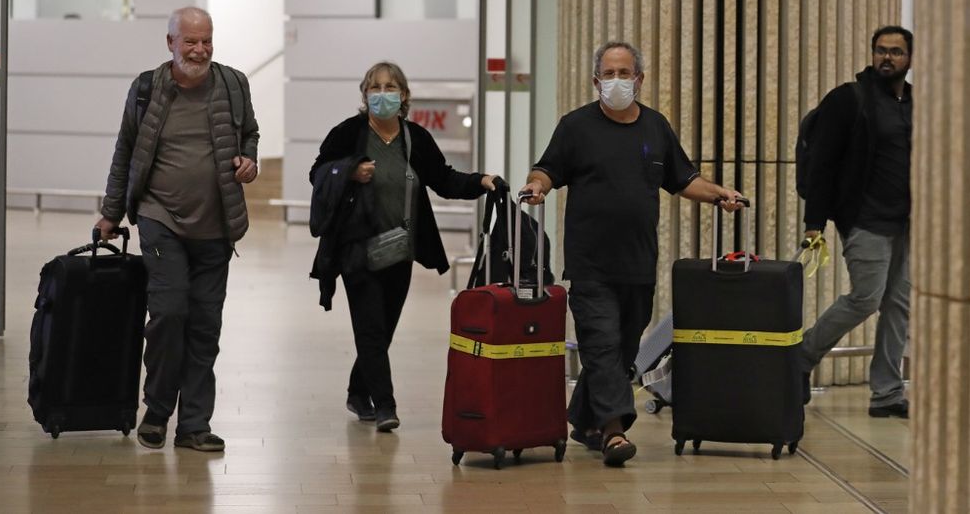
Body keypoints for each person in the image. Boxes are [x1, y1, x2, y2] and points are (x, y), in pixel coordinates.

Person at [520, 41, 742, 467]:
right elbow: (548, 168)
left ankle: (584, 420)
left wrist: (720, 195)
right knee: (600, 345)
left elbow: (683, 179)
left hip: (638, 264)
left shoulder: (655, 127)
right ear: (595, 80)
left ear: (640, 79)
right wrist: (537, 186)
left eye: (625, 73)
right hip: (589, 263)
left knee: (621, 353)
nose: (616, 81)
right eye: (609, 73)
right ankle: (614, 433)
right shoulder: (576, 126)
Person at [95, 6, 259, 452]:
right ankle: (157, 410)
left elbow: (250, 135)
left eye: (206, 40)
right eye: (190, 41)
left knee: (206, 325)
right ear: (170, 43)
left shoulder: (233, 84)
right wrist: (111, 212)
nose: (200, 49)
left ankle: (194, 426)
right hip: (159, 216)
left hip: (217, 224)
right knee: (169, 314)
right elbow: (126, 150)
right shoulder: (147, 88)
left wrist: (249, 162)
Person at [309, 61, 497, 432]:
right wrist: (350, 170)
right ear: (365, 95)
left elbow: (444, 179)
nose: (383, 94)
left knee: (383, 329)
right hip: (355, 248)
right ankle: (386, 406)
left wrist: (482, 181)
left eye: (390, 87)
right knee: (371, 328)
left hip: (399, 249)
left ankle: (358, 391)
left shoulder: (416, 138)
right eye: (375, 87)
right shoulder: (348, 134)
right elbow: (317, 172)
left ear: (404, 95)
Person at [800, 25, 913, 419]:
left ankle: (886, 392)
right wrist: (813, 221)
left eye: (896, 52)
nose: (887, 57)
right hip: (864, 218)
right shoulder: (849, 99)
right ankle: (802, 357)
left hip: (906, 222)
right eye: (881, 50)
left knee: (899, 305)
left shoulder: (914, 103)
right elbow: (822, 163)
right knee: (867, 296)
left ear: (909, 59)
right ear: (872, 54)